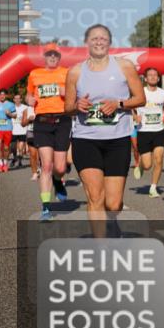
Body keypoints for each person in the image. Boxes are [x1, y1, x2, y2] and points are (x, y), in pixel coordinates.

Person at [64, 24, 145, 235]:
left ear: (109, 43)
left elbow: (140, 99)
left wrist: (119, 103)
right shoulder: (75, 72)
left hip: (117, 140)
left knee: (113, 204)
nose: (99, 41)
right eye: (94, 38)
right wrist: (76, 106)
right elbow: (67, 109)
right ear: (86, 43)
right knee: (95, 197)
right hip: (85, 139)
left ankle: (112, 221)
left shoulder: (124, 66)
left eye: (103, 38)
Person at [28, 43, 71, 221]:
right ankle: (46, 208)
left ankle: (57, 180)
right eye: (49, 55)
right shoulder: (35, 74)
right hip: (43, 122)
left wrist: (66, 91)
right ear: (44, 57)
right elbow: (29, 95)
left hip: (62, 121)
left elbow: (75, 93)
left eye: (55, 55)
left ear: (59, 57)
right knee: (46, 165)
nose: (52, 57)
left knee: (60, 167)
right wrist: (29, 98)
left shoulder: (66, 72)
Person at [134, 67, 164, 197]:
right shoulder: (140, 93)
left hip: (159, 130)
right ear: (146, 78)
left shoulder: (163, 93)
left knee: (159, 159)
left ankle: (153, 188)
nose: (153, 77)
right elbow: (130, 107)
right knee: (148, 165)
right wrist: (134, 116)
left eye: (155, 75)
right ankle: (141, 165)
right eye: (150, 75)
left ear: (158, 78)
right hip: (143, 130)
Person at [0, 90, 15, 172]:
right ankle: (0, 163)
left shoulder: (11, 104)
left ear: (6, 95)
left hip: (8, 128)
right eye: (0, 95)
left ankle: (5, 163)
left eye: (3, 95)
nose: (2, 96)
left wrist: (9, 114)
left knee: (6, 148)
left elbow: (15, 116)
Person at [11, 94, 30, 168]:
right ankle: (15, 158)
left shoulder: (25, 107)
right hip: (13, 130)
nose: (17, 100)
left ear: (21, 99)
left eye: (19, 98)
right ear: (13, 100)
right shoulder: (11, 107)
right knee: (12, 147)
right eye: (16, 98)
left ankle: (19, 161)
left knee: (21, 147)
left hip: (22, 130)